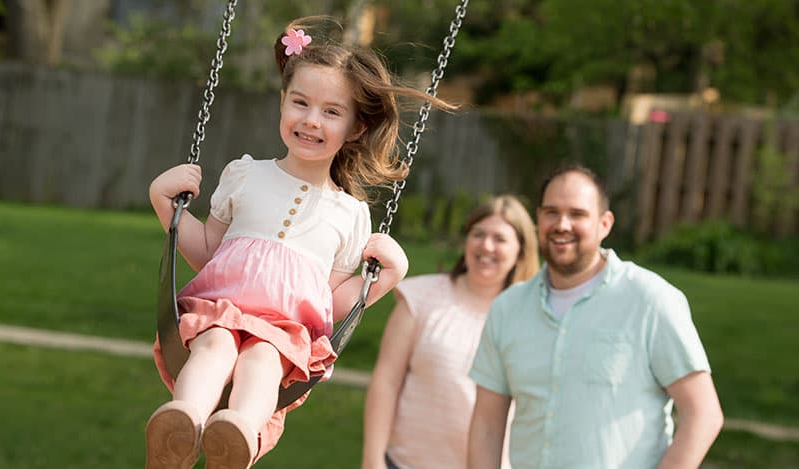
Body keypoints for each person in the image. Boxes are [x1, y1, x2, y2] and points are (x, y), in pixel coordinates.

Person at [145, 16, 452, 469]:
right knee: (215, 347)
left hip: (284, 331)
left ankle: (238, 438)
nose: (311, 120)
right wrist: (164, 201)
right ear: (282, 104)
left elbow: (331, 300)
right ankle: (181, 427)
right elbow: (208, 252)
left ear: (355, 128)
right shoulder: (246, 175)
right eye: (300, 103)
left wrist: (385, 279)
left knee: (264, 361)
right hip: (220, 311)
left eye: (331, 111)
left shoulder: (350, 214)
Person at [468, 163, 724, 468]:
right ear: (538, 219)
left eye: (577, 214)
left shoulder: (650, 300)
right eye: (551, 212)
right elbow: (486, 426)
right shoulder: (507, 308)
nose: (562, 224)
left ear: (605, 223)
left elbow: (704, 413)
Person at [362, 195, 540, 469]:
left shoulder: (530, 318)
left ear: (520, 250)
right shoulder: (419, 297)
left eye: (500, 239)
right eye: (478, 234)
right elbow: (386, 381)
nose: (486, 246)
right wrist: (372, 460)